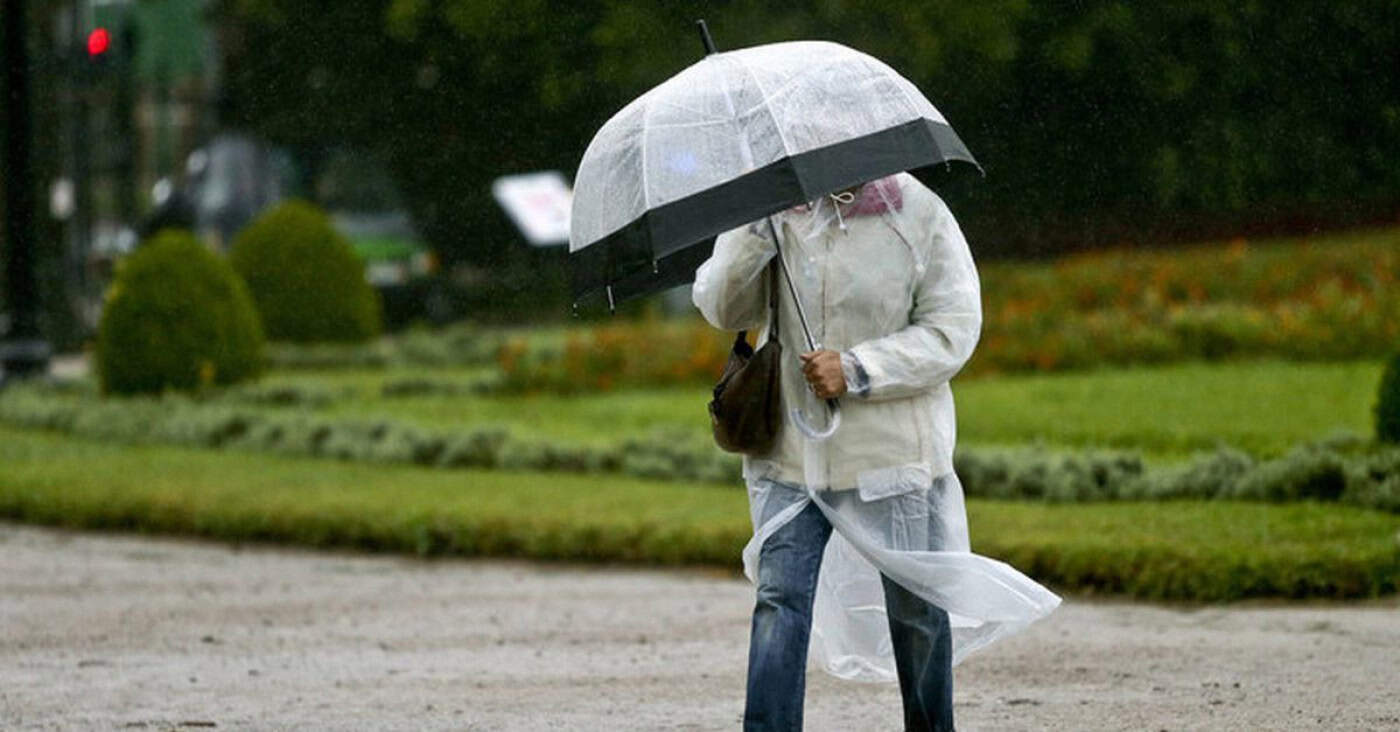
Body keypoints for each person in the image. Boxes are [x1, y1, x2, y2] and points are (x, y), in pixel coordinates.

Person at [692, 173, 1060, 732]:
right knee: (779, 602)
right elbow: (722, 308)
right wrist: (754, 231)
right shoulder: (770, 210)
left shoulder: (916, 213)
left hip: (892, 457)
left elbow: (952, 329)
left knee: (918, 615)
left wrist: (859, 368)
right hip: (792, 458)